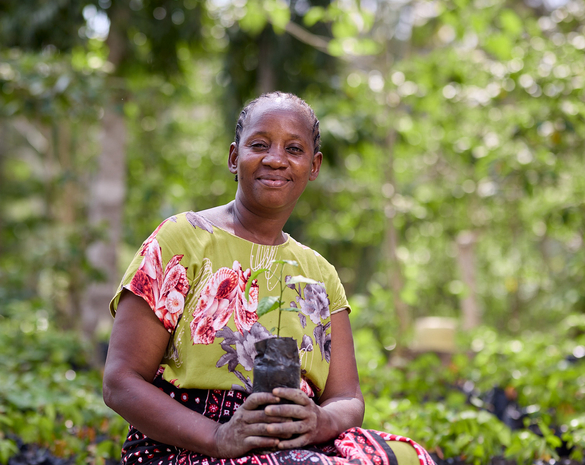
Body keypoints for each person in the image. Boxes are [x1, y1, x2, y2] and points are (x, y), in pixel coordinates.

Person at [103, 92, 435, 465]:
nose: (276, 159)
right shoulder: (181, 240)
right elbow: (121, 381)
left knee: (410, 458)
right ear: (234, 157)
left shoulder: (319, 272)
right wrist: (219, 436)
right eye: (259, 145)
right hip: (187, 447)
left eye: (294, 149)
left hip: (296, 446)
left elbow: (347, 398)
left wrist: (318, 421)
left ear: (313, 166)